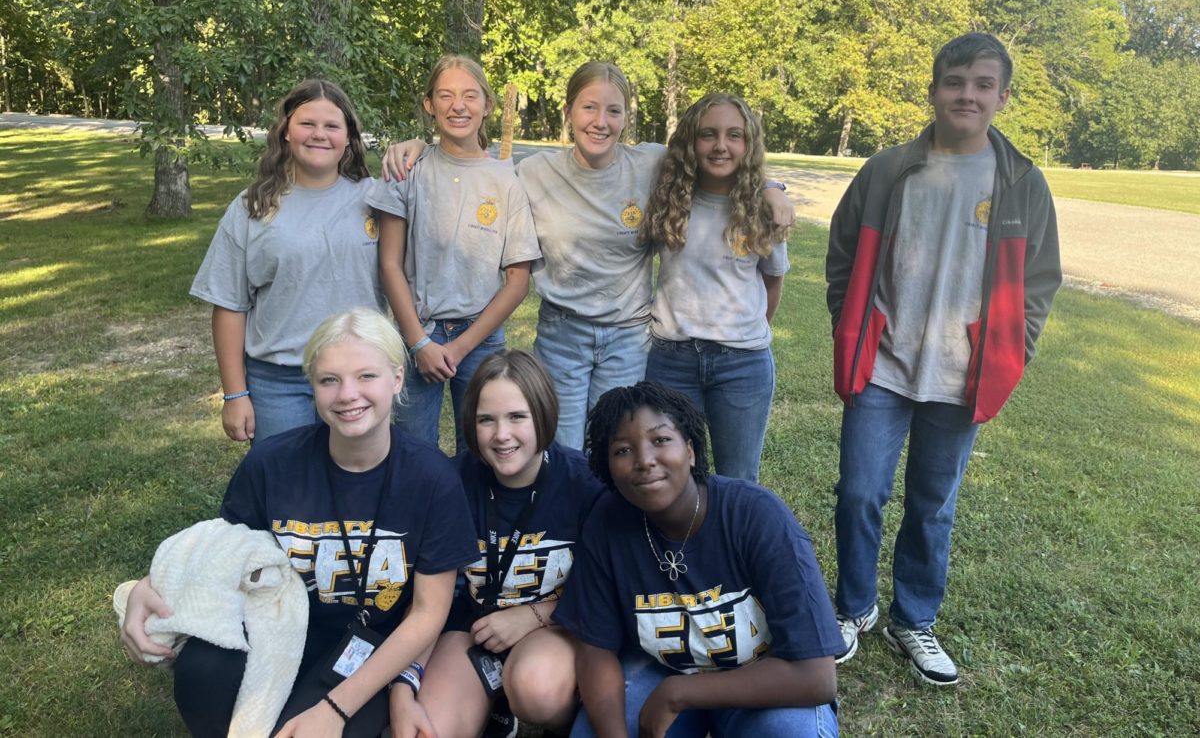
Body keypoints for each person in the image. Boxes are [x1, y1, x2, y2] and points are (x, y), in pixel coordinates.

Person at [382, 61, 795, 451]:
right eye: (589, 107)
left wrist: (771, 186)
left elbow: (717, 156)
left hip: (628, 337)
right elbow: (473, 165)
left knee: (615, 445)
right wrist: (419, 146)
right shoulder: (531, 172)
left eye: (613, 110)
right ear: (568, 111)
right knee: (560, 451)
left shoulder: (652, 164)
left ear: (626, 118)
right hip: (563, 334)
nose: (600, 121)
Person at [825, 32, 1062, 685]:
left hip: (964, 376)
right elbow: (842, 255)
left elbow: (1040, 280)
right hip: (883, 366)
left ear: (1002, 96)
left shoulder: (1021, 183)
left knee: (933, 504)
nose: (968, 95)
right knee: (859, 492)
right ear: (933, 91)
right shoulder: (887, 170)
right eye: (955, 83)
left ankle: (914, 620)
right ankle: (853, 609)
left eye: (983, 84)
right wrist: (849, 327)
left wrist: (1015, 348)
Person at [119, 308, 478, 737]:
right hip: (280, 625)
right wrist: (148, 585)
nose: (348, 394)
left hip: (373, 645)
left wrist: (334, 709)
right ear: (312, 386)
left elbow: (426, 614)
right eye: (330, 379)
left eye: (366, 376)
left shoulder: (433, 479)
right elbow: (222, 553)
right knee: (203, 673)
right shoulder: (272, 464)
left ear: (397, 379)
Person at [555, 382, 842, 738]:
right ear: (607, 467)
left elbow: (815, 676)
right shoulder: (607, 524)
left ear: (690, 450)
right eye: (623, 450)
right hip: (659, 670)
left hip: (763, 677)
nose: (644, 460)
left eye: (661, 440)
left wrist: (679, 694)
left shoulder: (756, 516)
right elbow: (595, 651)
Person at [391, 350, 605, 738]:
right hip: (470, 630)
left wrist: (535, 616)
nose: (501, 435)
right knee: (430, 732)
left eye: (517, 417)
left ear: (543, 414)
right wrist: (406, 681)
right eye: (486, 420)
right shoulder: (449, 483)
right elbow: (427, 598)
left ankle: (558, 719)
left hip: (556, 628)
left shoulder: (585, 486)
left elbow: (607, 592)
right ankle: (493, 706)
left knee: (537, 689)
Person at [190, 79, 385, 444]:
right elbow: (230, 304)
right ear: (285, 133)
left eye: (332, 126)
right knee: (287, 494)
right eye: (307, 124)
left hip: (360, 377)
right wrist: (235, 394)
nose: (319, 135)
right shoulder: (252, 207)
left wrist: (417, 144)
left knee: (361, 490)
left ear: (348, 138)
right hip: (279, 382)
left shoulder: (377, 199)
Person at [369, 56, 541, 452]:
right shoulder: (408, 169)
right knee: (410, 451)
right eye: (445, 96)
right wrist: (418, 343)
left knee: (484, 452)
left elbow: (517, 282)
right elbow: (389, 264)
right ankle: (418, 517)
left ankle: (475, 517)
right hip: (416, 333)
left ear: (487, 105)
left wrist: (460, 347)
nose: (457, 106)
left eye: (469, 96)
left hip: (480, 339)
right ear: (430, 105)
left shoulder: (506, 181)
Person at [641, 93, 789, 483]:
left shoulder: (764, 210)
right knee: (672, 474)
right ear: (691, 141)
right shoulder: (670, 196)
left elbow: (773, 281)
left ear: (749, 144)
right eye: (708, 134)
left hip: (741, 365)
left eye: (733, 135)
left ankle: (732, 546)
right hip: (670, 359)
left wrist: (772, 187)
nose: (721, 146)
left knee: (738, 479)